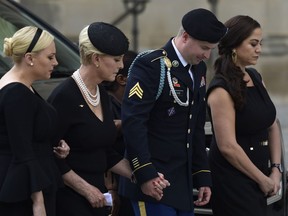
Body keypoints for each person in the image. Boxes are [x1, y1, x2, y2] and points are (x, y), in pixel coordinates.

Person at [47, 22, 168, 216]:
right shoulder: (64, 96)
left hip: (97, 197)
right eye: (116, 59)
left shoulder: (101, 93)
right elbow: (49, 155)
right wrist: (85, 189)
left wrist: (144, 175)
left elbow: (104, 152)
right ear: (96, 59)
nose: (121, 66)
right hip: (70, 199)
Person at [119, 8, 227, 216]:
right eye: (204, 48)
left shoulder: (198, 69)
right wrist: (144, 173)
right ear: (185, 37)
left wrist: (202, 175)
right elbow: (133, 122)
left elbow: (194, 126)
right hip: (153, 178)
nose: (206, 55)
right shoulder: (151, 65)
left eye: (211, 49)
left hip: (181, 180)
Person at [206, 15, 282, 216]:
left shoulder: (255, 77)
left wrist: (276, 169)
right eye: (253, 44)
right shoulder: (220, 90)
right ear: (234, 46)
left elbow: (272, 124)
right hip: (234, 180)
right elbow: (227, 147)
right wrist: (262, 179)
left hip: (261, 175)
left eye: (260, 44)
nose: (259, 50)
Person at [0, 26, 70, 216]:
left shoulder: (24, 88)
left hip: (34, 182)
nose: (55, 62)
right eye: (50, 57)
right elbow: (22, 151)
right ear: (30, 58)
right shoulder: (15, 92)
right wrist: (38, 202)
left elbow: (32, 133)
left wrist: (55, 145)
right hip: (25, 194)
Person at [102, 50, 138, 216]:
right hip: (115, 187)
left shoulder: (133, 105)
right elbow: (102, 146)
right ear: (122, 79)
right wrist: (111, 188)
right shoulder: (105, 104)